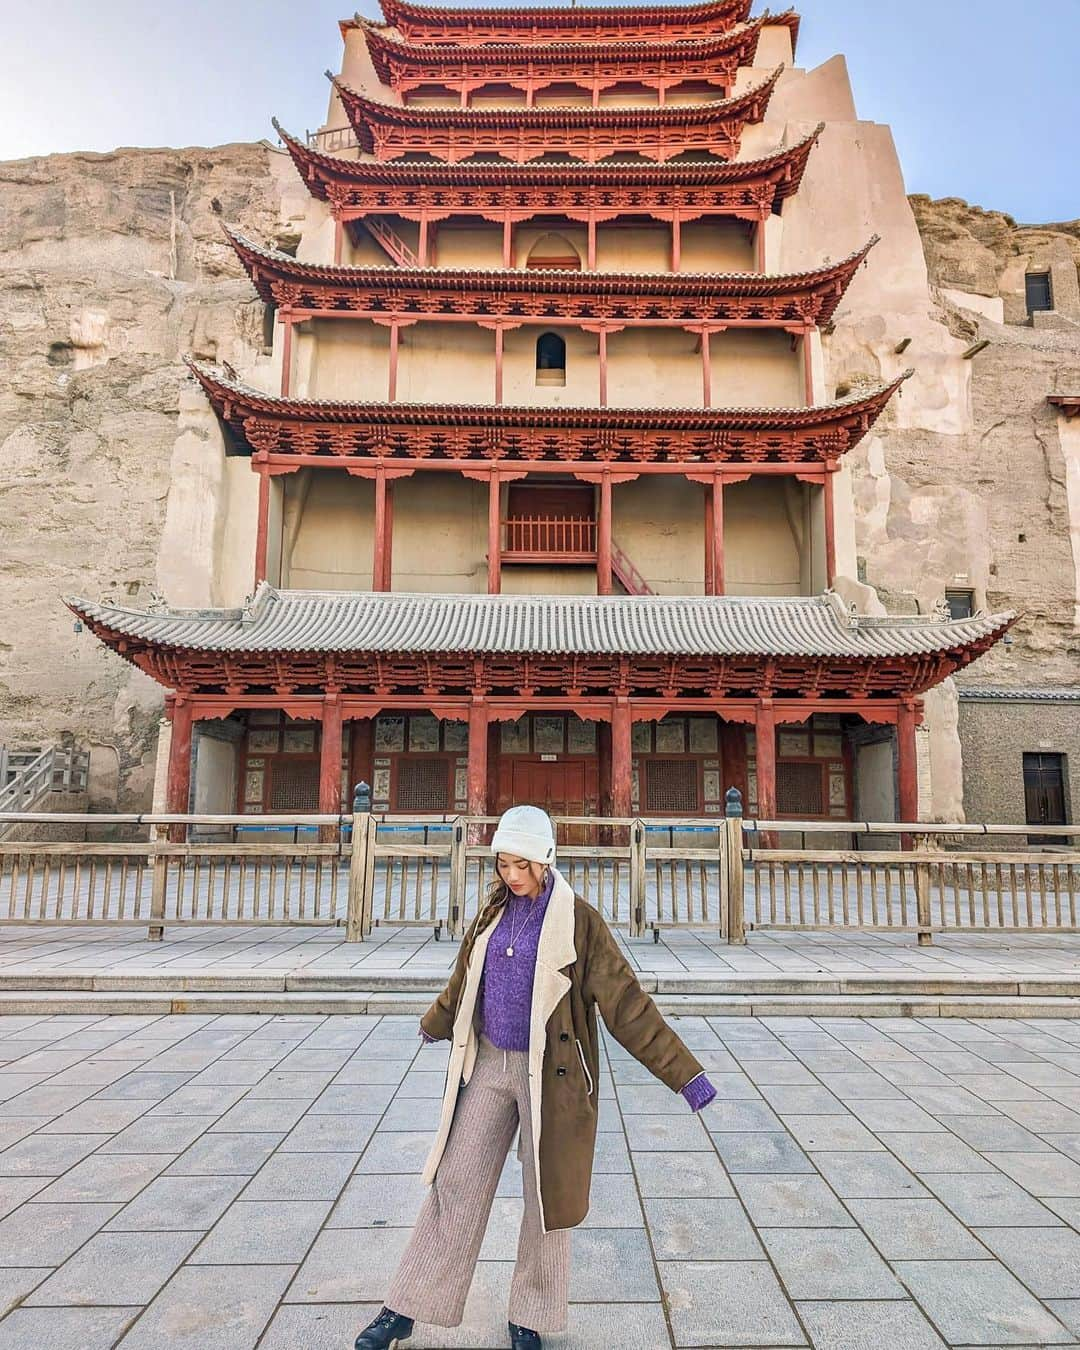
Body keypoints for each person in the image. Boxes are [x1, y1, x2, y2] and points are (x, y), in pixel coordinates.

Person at [353, 804, 717, 1350]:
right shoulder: (493, 910)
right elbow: (465, 978)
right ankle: (407, 1306)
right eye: (503, 864)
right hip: (491, 1063)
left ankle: (531, 1315)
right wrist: (438, 1020)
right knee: (456, 1179)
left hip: (550, 1073)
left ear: (546, 860)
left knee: (546, 1197)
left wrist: (686, 1075)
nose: (513, 876)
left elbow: (627, 1005)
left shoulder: (579, 922)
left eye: (523, 865)